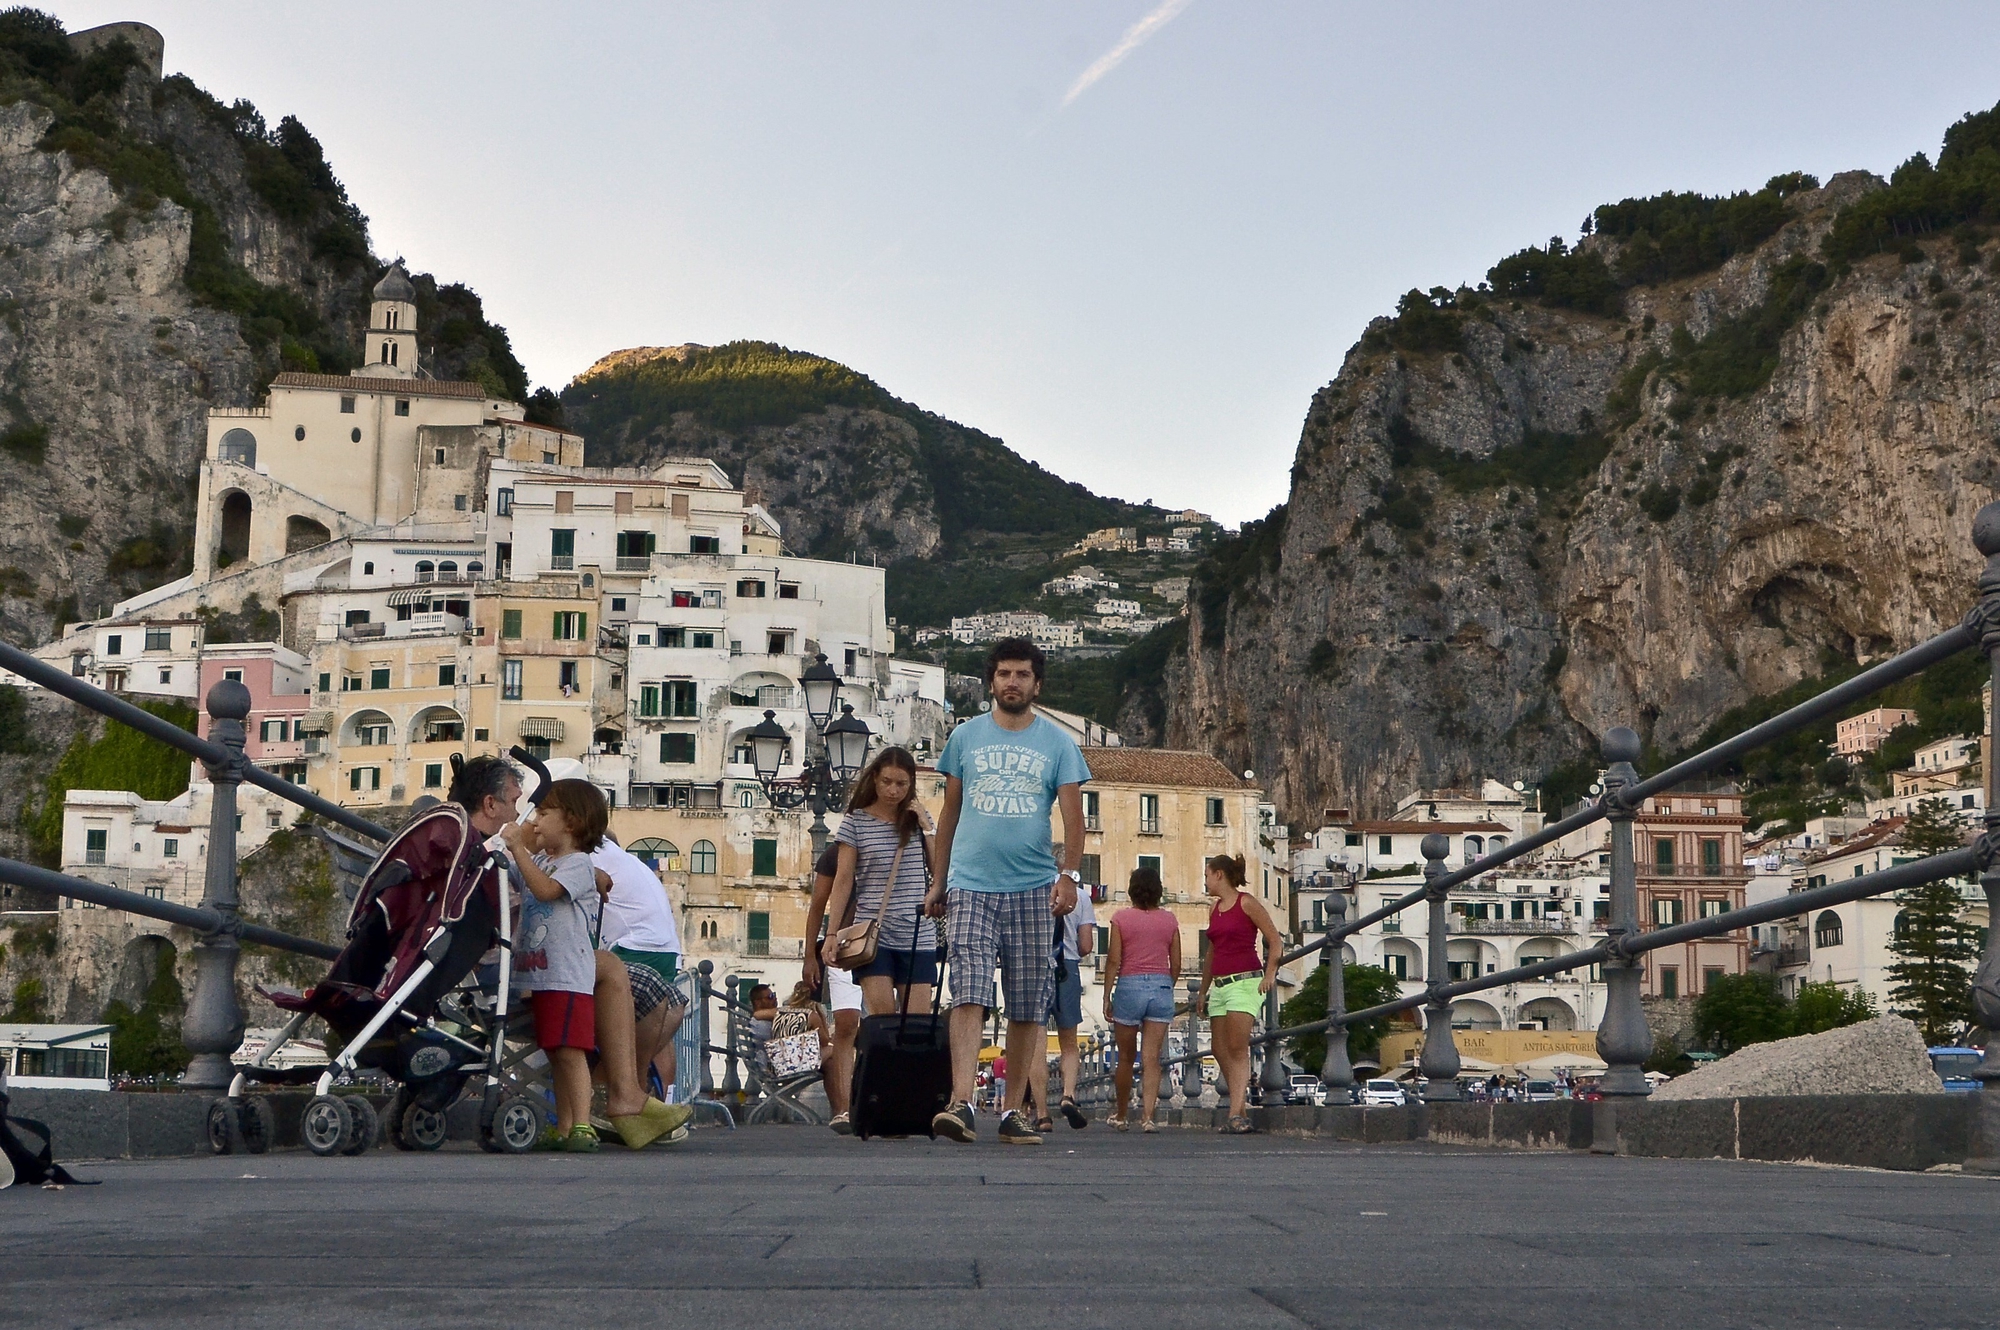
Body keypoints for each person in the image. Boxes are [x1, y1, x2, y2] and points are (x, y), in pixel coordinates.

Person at [928, 637, 1091, 1146]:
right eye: (1004, 674)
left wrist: (1068, 876)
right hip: (971, 884)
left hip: (1032, 887)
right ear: (991, 682)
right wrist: (939, 880)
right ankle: (960, 1103)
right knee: (969, 988)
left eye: (1022, 674)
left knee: (1026, 1002)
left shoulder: (1059, 744)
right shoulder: (965, 738)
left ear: (1036, 684)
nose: (1012, 683)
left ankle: (1014, 1109)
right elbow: (948, 815)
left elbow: (1072, 818)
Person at [501, 779, 611, 1151]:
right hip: (543, 974)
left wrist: (519, 846)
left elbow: (546, 890)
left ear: (572, 823)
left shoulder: (578, 865)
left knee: (569, 1051)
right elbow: (517, 877)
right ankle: (564, 1124)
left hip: (567, 975)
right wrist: (520, 850)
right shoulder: (545, 861)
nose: (535, 821)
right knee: (554, 1051)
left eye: (544, 813)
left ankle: (582, 1123)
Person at [820, 747, 939, 1018]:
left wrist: (927, 828)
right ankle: (878, 1062)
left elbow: (938, 870)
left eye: (901, 784)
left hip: (917, 934)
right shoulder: (855, 822)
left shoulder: (919, 820)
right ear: (874, 778)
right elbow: (843, 880)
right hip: (872, 934)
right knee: (882, 1022)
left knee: (916, 1024)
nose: (893, 790)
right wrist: (832, 933)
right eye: (887, 782)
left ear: (911, 784)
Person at [593, 832, 688, 1105]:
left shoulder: (587, 855)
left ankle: (619, 1090)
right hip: (667, 950)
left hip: (633, 947)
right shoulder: (629, 861)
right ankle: (658, 1100)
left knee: (638, 1017)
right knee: (662, 1017)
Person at [1196, 853, 1282, 1135]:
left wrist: (1270, 974)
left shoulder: (1247, 903)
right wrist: (1203, 990)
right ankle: (1240, 1107)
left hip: (1245, 982)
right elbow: (1212, 952)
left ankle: (1234, 1112)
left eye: (1207, 874)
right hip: (1220, 985)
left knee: (1236, 1046)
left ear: (1219, 874)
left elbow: (1274, 939)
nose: (1205, 880)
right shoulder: (1214, 909)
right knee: (1220, 1049)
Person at [1103, 866, 1181, 1132]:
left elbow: (1114, 960)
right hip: (1160, 985)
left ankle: (1122, 1115)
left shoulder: (1120, 918)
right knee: (1152, 1059)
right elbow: (1177, 963)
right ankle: (1148, 1117)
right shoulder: (1170, 921)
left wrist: (1106, 996)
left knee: (1125, 1057)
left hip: (1129, 985)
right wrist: (1165, 985)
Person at [1024, 851, 1094, 1134]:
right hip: (1068, 969)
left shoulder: (1033, 890)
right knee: (1069, 1042)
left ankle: (1042, 1114)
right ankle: (1068, 1095)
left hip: (1035, 967)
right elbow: (1087, 945)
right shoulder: (1082, 897)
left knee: (1036, 1044)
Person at [801, 841, 863, 1135]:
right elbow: (817, 904)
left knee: (886, 1023)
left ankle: (888, 1103)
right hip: (845, 948)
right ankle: (843, 1109)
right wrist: (809, 956)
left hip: (892, 940)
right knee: (846, 1024)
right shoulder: (836, 852)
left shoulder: (903, 837)